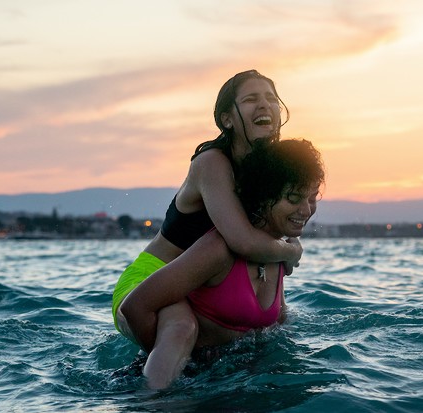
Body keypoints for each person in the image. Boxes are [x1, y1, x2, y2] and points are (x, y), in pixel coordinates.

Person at [112, 70, 302, 381]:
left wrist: (287, 246)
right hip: (152, 280)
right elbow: (243, 241)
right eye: (251, 99)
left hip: (200, 287)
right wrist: (292, 252)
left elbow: (276, 230)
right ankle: (151, 400)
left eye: (271, 99)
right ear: (227, 119)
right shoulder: (211, 163)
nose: (265, 105)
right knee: (181, 328)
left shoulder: (267, 171)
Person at [120, 138, 325, 389]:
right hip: (178, 386)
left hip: (227, 384)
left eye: (312, 198)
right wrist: (172, 363)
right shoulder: (218, 249)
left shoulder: (278, 252)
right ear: (264, 196)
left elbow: (277, 329)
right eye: (294, 198)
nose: (306, 210)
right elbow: (136, 307)